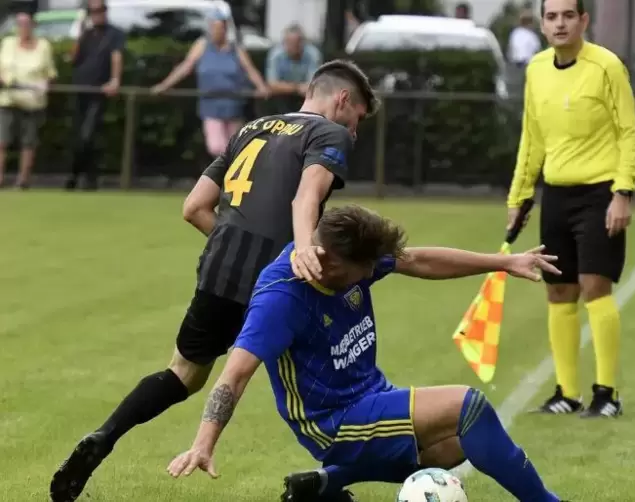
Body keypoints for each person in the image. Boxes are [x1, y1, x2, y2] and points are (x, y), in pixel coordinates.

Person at [49, 59, 379, 502]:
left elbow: (194, 206)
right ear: (341, 99)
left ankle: (105, 436)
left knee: (183, 374)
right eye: (356, 119)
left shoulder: (253, 127)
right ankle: (332, 488)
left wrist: (230, 242)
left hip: (219, 267)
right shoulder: (328, 134)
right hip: (278, 277)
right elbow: (308, 195)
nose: (353, 132)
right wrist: (299, 250)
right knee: (327, 374)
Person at [166, 204, 569, 502]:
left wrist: (505, 262)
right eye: (367, 269)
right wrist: (204, 443)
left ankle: (326, 485)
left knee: (453, 447)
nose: (374, 274)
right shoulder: (281, 298)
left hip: (368, 396)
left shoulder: (346, 259)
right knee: (469, 407)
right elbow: (234, 374)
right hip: (331, 421)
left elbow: (421, 260)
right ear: (330, 262)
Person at [507, 0, 635, 418]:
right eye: (552, 16)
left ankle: (607, 394)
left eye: (569, 15)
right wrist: (519, 198)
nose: (560, 23)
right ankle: (567, 393)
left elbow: (629, 131)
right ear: (542, 24)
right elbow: (532, 139)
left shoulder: (606, 66)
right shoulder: (536, 69)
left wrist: (623, 192)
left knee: (595, 286)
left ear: (584, 20)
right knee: (558, 291)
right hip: (557, 196)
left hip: (600, 193)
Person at [151, 8, 270, 159]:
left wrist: (261, 87)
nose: (217, 31)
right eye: (214, 27)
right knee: (216, 146)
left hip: (233, 105)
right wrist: (165, 85)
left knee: (235, 146)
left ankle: (228, 180)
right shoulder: (201, 45)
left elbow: (249, 70)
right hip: (210, 104)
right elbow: (186, 66)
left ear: (225, 29)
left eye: (220, 28)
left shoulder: (236, 49)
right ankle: (223, 176)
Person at [64, 0, 124, 191]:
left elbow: (117, 56)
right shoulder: (86, 34)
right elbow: (72, 58)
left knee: (87, 135)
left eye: (100, 10)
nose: (97, 14)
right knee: (77, 136)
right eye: (93, 11)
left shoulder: (114, 33)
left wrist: (115, 80)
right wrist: (79, 33)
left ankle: (81, 177)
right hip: (79, 89)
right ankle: (83, 177)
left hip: (97, 92)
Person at [0, 11, 57, 189]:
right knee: (1, 141)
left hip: (33, 102)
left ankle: (23, 181)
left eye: (26, 24)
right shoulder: (7, 43)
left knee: (28, 142)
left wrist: (44, 85)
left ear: (33, 25)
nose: (22, 28)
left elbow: (50, 74)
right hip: (8, 100)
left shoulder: (44, 46)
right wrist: (8, 81)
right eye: (19, 24)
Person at [266, 24, 322, 113]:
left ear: (303, 42)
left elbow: (312, 85)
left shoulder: (313, 54)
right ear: (284, 43)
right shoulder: (276, 55)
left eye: (297, 42)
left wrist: (289, 87)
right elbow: (272, 85)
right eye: (290, 43)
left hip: (305, 97)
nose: (293, 46)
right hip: (282, 96)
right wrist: (297, 88)